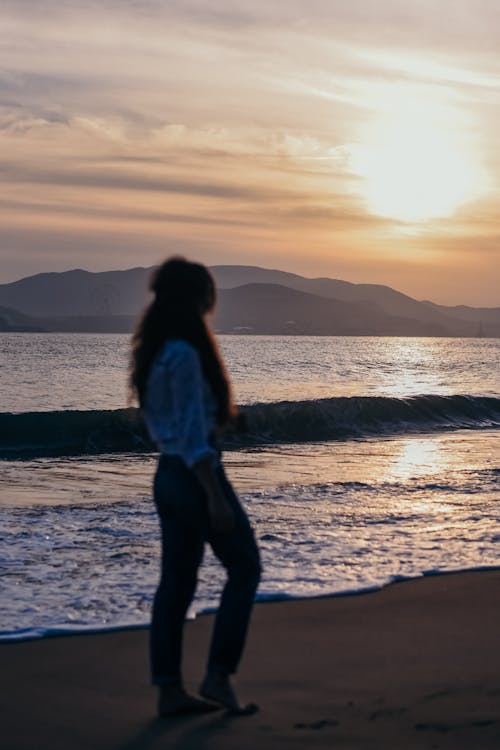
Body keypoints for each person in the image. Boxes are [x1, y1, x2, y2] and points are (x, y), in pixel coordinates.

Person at [130, 257, 261, 717]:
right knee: (244, 568)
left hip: (167, 475)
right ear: (197, 298)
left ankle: (169, 690)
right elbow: (189, 433)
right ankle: (218, 676)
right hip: (193, 476)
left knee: (177, 584)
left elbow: (171, 423)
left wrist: (222, 419)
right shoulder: (185, 354)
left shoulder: (156, 353)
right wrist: (213, 494)